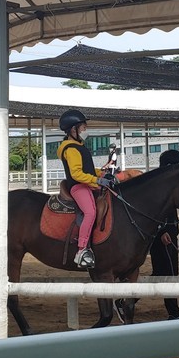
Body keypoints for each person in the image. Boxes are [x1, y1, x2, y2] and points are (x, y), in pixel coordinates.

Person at [57, 108, 115, 268]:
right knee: (90, 212)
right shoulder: (71, 149)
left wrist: (103, 174)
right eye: (83, 127)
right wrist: (96, 180)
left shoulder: (79, 146)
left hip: (87, 183)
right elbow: (76, 174)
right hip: (79, 187)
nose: (85, 130)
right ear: (73, 129)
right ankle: (82, 250)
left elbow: (88, 170)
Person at [153, 149, 179, 320]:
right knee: (167, 273)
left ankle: (126, 299)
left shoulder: (168, 185)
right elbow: (155, 212)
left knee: (163, 273)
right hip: (163, 236)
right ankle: (174, 312)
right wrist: (162, 231)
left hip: (170, 233)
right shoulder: (158, 187)